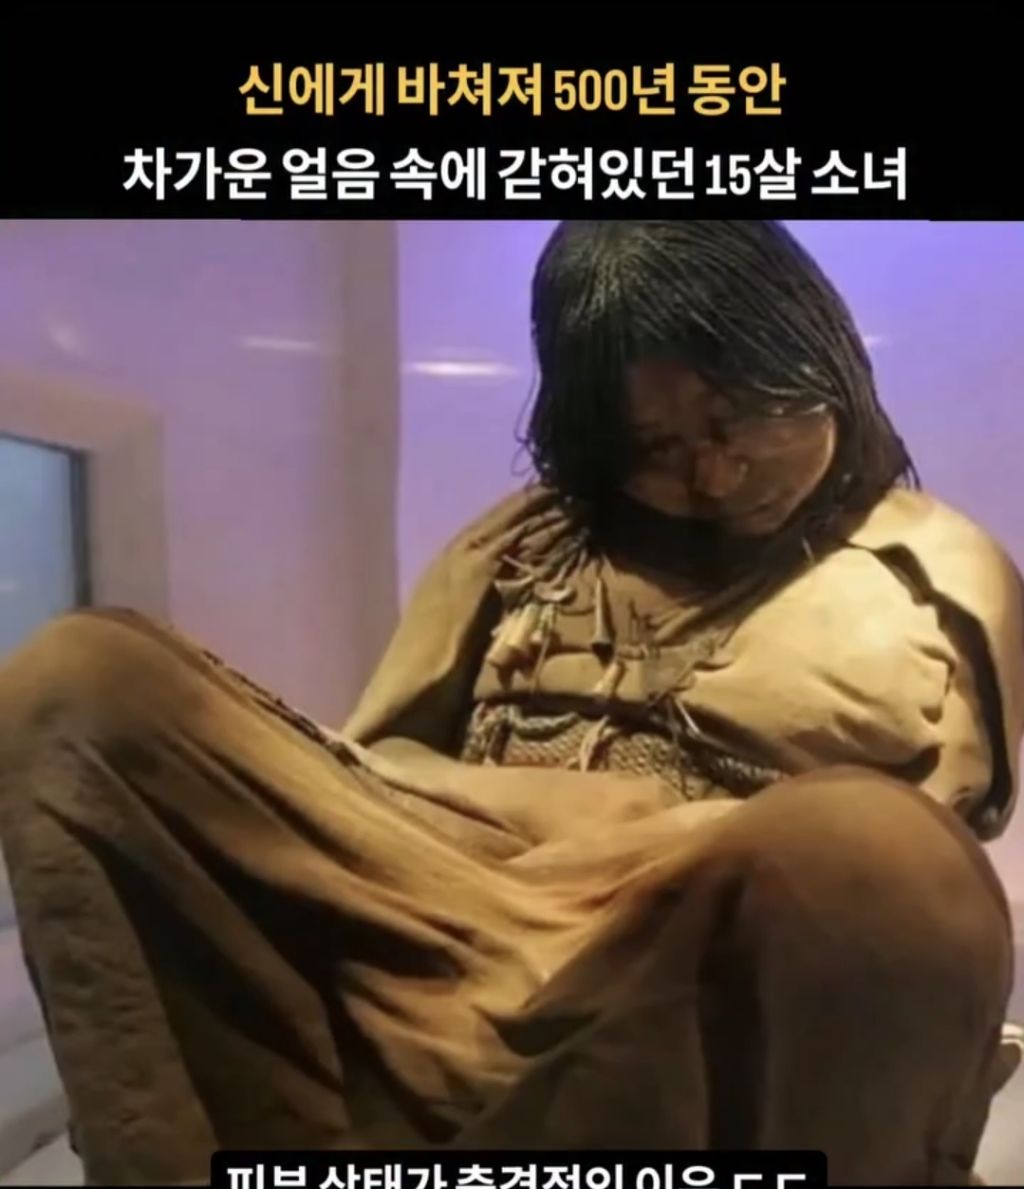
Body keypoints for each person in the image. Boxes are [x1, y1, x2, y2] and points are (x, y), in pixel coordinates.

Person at [0, 221, 1021, 1187]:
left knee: (867, 851)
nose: (714, 473)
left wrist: (681, 840)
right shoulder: (521, 546)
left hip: (707, 962)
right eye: (657, 447)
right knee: (82, 683)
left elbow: (930, 872)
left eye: (740, 418)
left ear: (819, 363)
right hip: (455, 924)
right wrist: (550, 815)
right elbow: (370, 777)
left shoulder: (934, 572)